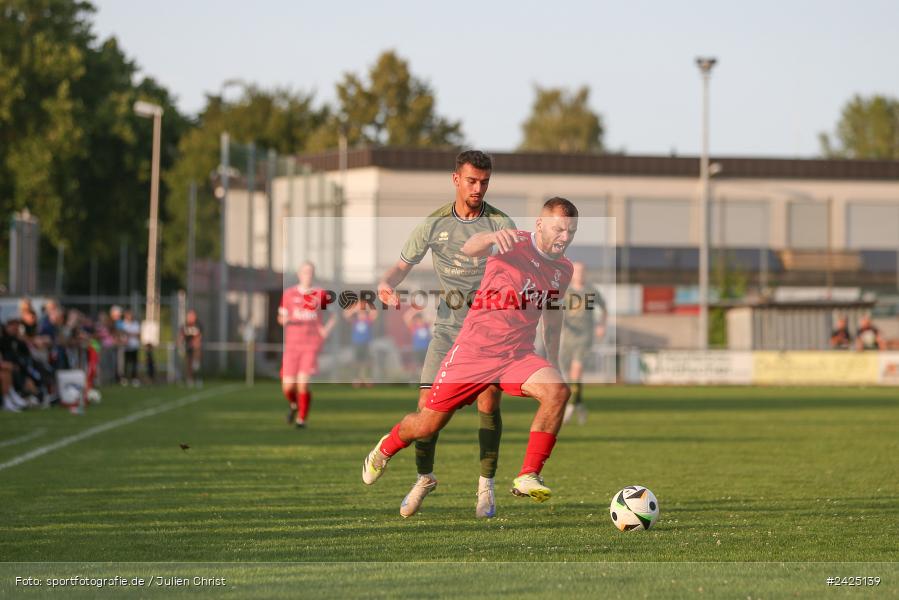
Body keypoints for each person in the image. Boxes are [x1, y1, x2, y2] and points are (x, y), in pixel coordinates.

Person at [363, 198, 578, 508]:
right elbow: (470, 248)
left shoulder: (564, 268)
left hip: (517, 355)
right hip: (474, 353)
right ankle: (386, 448)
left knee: (558, 392)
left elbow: (553, 315)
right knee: (427, 424)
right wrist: (490, 237)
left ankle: (528, 474)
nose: (565, 237)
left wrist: (553, 361)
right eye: (559, 229)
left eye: (571, 231)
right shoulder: (513, 242)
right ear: (540, 224)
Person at [376, 150, 516, 519]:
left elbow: (520, 270)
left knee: (489, 404)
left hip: (490, 334)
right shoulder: (434, 223)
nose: (478, 188)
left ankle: (485, 486)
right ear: (456, 179)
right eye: (471, 181)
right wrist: (387, 284)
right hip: (448, 330)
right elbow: (399, 267)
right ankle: (424, 477)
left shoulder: (501, 223)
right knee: (427, 411)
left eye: (484, 182)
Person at [278, 262, 335, 428]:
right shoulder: (289, 294)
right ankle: (294, 405)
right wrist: (285, 320)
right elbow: (280, 317)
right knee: (288, 386)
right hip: (292, 346)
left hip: (310, 345)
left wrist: (325, 330)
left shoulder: (320, 294)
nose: (307, 275)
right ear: (299, 274)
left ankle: (302, 419)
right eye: (304, 272)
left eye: (310, 272)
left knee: (303, 383)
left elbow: (333, 316)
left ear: (314, 274)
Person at [560, 262, 607, 426]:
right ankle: (579, 404)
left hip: (584, 337)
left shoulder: (591, 290)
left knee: (576, 370)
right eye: (576, 271)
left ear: (585, 273)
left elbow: (604, 308)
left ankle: (570, 407)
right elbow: (555, 309)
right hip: (568, 337)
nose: (579, 273)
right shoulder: (565, 291)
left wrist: (601, 325)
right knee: (570, 375)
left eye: (582, 271)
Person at [344, 300, 377, 387]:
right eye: (360, 313)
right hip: (357, 344)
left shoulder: (368, 321)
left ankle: (368, 379)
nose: (361, 315)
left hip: (366, 344)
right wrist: (355, 308)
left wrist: (366, 305)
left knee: (368, 362)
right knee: (356, 362)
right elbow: (346, 314)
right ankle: (356, 379)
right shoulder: (355, 321)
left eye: (363, 313)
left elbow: (374, 313)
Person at [179, 309, 203, 387]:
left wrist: (193, 343)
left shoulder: (198, 325)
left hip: (195, 347)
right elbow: (181, 336)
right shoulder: (185, 326)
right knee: (188, 364)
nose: (190, 318)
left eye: (192, 316)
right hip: (187, 347)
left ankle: (198, 378)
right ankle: (189, 379)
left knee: (196, 364)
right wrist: (180, 344)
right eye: (189, 316)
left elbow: (199, 337)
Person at [121, 309, 141, 386]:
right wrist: (131, 334)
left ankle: (134, 378)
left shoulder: (135, 323)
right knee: (126, 363)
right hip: (126, 346)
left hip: (134, 345)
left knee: (134, 363)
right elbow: (123, 333)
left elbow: (138, 334)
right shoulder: (124, 323)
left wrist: (129, 333)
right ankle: (125, 378)